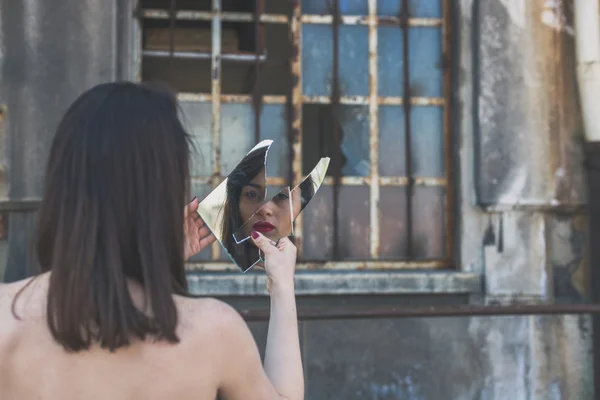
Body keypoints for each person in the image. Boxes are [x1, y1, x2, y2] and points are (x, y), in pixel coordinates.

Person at [0, 82, 304, 400]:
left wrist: (155, 266)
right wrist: (282, 284)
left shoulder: (7, 317)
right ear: (163, 191)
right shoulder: (212, 333)